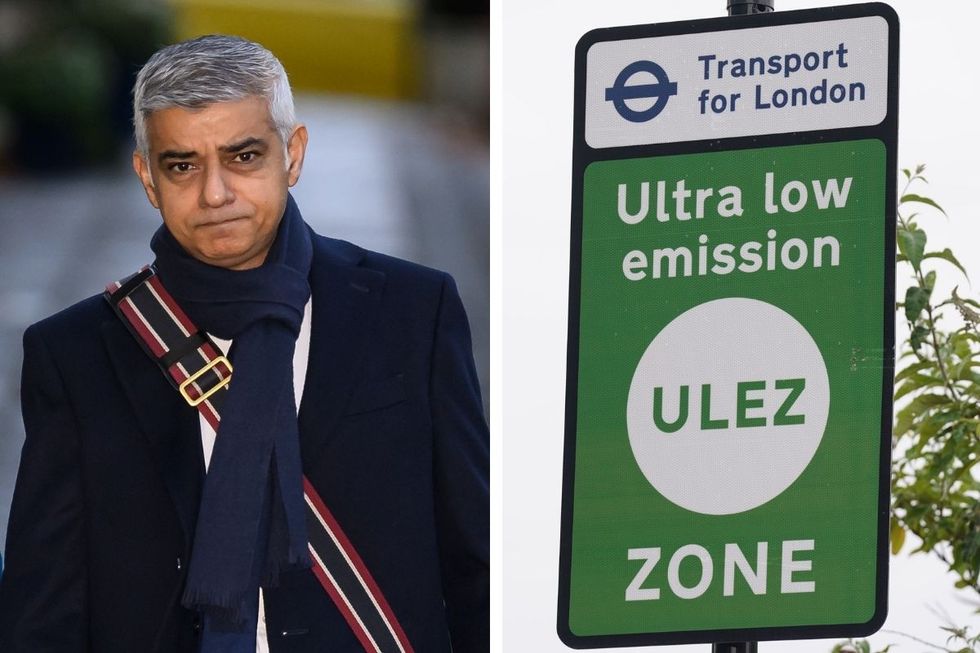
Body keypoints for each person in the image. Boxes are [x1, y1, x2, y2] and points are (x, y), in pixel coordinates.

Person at [0, 35, 489, 653]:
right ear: (147, 177)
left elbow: (476, 560)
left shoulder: (413, 310)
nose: (215, 194)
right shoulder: (73, 354)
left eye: (243, 156)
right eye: (182, 165)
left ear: (293, 154)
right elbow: (43, 606)